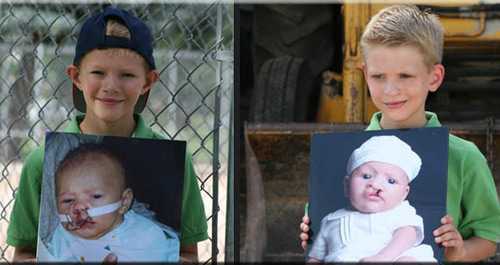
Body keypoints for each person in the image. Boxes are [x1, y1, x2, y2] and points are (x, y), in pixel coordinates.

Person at [7, 6, 207, 262]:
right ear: (76, 77)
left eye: (127, 75)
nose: (111, 86)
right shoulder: (40, 161)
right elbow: (22, 253)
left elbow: (188, 254)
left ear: (148, 81)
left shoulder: (175, 164)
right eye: (98, 73)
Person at [300, 4, 500, 262]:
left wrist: (459, 252)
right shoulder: (339, 158)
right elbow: (319, 240)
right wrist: (310, 231)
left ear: (434, 77)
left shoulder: (464, 157)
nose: (390, 90)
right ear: (365, 74)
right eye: (378, 76)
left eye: (405, 76)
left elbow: (488, 239)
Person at [307, 135, 436, 262]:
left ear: (404, 194)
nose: (375, 185)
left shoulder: (401, 212)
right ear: (346, 185)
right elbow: (315, 258)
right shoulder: (330, 221)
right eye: (366, 176)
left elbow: (408, 235)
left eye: (391, 181)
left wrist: (383, 258)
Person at [44, 143, 179, 262]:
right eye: (68, 200)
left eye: (96, 196)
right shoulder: (61, 237)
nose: (78, 207)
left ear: (124, 201)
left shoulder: (147, 237)